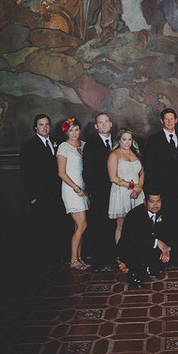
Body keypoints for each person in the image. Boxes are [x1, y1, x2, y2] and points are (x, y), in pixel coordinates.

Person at [20, 114, 67, 265]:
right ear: (35, 127)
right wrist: (32, 196)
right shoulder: (29, 146)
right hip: (41, 195)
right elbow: (26, 173)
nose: (45, 127)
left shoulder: (56, 142)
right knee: (43, 227)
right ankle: (44, 259)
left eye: (47, 124)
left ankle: (57, 256)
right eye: (41, 125)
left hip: (57, 193)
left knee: (57, 224)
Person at [145, 108, 178, 267]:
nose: (169, 122)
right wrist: (154, 192)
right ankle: (162, 258)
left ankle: (177, 257)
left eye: (171, 119)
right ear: (161, 121)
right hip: (161, 190)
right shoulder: (154, 140)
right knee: (163, 224)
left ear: (176, 120)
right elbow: (150, 167)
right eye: (166, 119)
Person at [82, 113, 117, 273]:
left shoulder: (118, 141)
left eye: (106, 122)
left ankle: (114, 257)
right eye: (100, 123)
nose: (104, 125)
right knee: (98, 225)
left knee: (115, 225)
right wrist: (93, 192)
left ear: (110, 124)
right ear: (96, 126)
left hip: (117, 191)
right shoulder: (91, 144)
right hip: (99, 192)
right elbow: (88, 170)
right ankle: (98, 260)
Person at [118, 192, 171, 289]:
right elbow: (132, 239)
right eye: (152, 201)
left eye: (158, 201)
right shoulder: (134, 215)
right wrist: (157, 242)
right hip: (131, 247)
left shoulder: (163, 212)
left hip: (148, 244)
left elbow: (166, 232)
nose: (155, 205)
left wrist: (166, 248)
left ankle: (149, 267)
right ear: (145, 202)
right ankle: (134, 274)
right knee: (137, 250)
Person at [56, 117, 89, 270]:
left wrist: (83, 189)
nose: (74, 133)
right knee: (82, 224)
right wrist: (76, 189)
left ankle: (79, 257)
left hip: (83, 189)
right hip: (72, 189)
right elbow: (61, 173)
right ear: (66, 132)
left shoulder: (84, 145)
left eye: (76, 129)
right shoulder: (64, 147)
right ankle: (73, 259)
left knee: (79, 226)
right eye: (71, 130)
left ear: (80, 130)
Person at [107, 128, 144, 248]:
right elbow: (113, 178)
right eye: (124, 139)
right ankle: (121, 255)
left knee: (138, 224)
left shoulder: (135, 153)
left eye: (129, 139)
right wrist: (132, 186)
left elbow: (142, 173)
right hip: (121, 192)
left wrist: (139, 187)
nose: (127, 142)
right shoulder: (114, 155)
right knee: (122, 225)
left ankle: (135, 252)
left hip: (138, 192)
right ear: (119, 140)